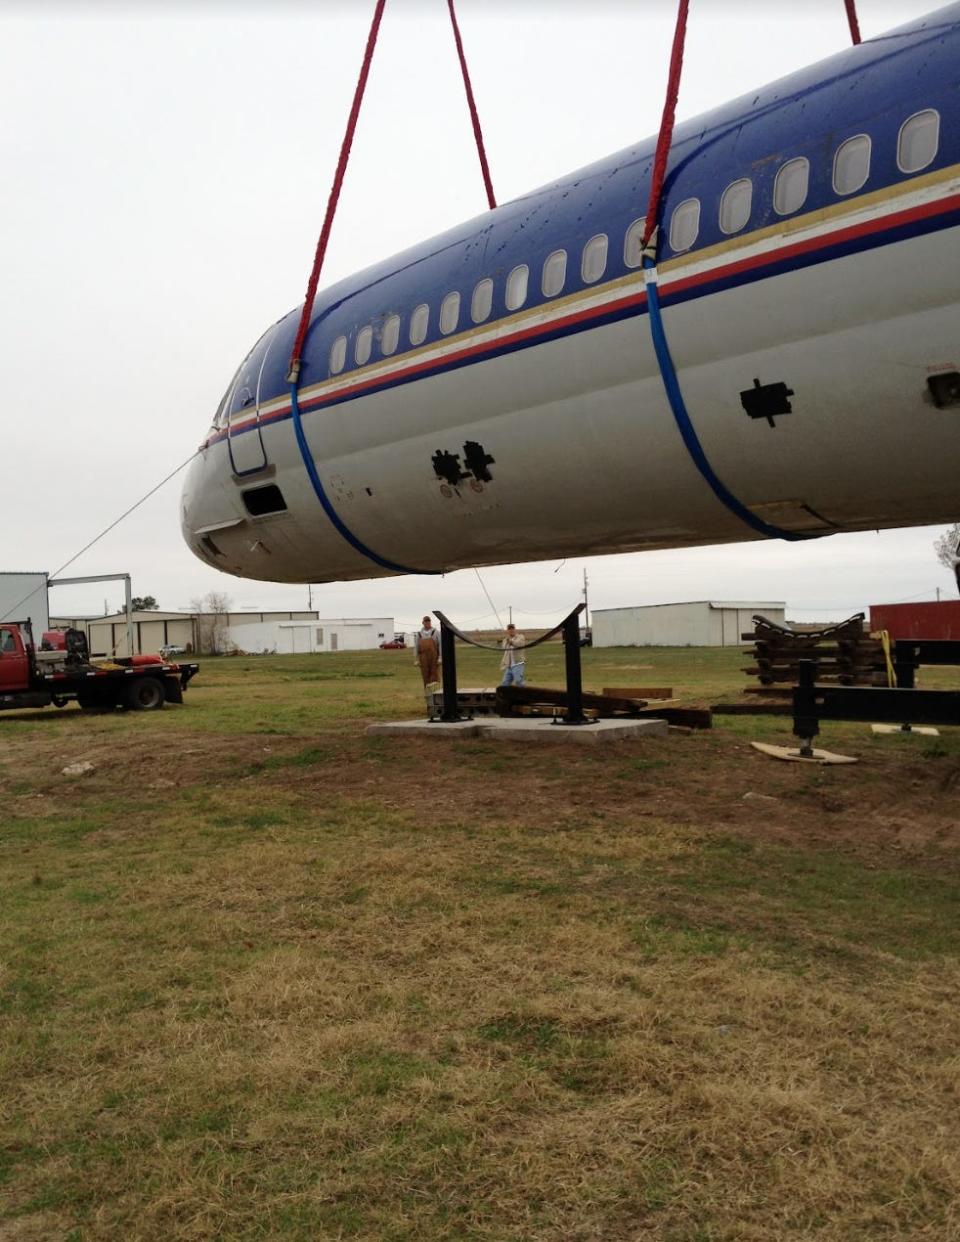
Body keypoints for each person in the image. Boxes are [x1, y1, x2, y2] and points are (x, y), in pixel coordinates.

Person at [414, 615, 440, 687]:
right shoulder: (419, 634)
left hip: (434, 657)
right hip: (423, 657)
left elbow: (440, 645)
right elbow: (416, 646)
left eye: (428, 622)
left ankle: (435, 691)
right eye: (425, 622)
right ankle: (427, 693)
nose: (427, 623)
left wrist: (440, 657)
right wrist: (416, 659)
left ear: (430, 622)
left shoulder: (435, 632)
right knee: (425, 674)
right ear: (423, 623)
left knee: (434, 673)